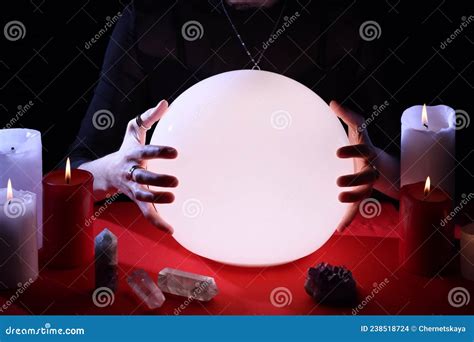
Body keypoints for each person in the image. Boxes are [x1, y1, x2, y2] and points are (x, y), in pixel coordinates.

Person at [69, 0, 400, 234]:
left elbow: (423, 187)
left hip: (306, 237)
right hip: (184, 240)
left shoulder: (350, 20)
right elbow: (70, 176)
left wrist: (375, 165)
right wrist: (115, 172)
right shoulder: (150, 19)